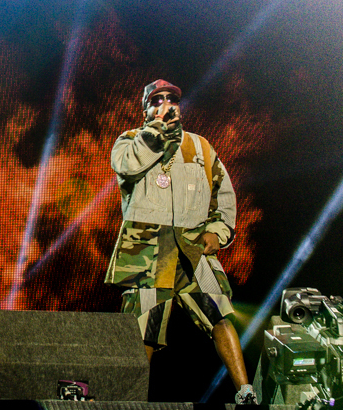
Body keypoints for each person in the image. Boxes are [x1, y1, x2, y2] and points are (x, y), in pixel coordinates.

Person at [104, 79, 257, 404]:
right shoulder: (130, 140)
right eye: (156, 99)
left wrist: (218, 231)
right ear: (145, 107)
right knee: (144, 326)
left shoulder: (201, 147)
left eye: (171, 98)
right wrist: (156, 132)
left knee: (218, 313)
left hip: (192, 245)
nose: (165, 103)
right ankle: (131, 401)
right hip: (147, 244)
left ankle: (246, 393)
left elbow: (224, 196)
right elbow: (128, 167)